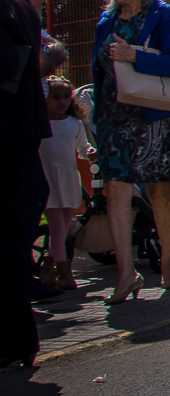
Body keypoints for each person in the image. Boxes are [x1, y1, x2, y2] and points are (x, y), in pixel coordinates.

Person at [90, 0, 170, 301]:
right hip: (113, 118)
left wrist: (136, 56)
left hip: (152, 116)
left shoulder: (164, 16)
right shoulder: (107, 19)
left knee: (158, 189)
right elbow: (100, 69)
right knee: (116, 190)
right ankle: (125, 273)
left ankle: (167, 263)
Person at [3, 0, 52, 364]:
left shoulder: (7, 3)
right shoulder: (18, 3)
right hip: (21, 129)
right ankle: (18, 337)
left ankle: (14, 338)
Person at [37, 77, 88, 292]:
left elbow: (83, 149)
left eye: (66, 97)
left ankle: (47, 269)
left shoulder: (74, 124)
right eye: (55, 97)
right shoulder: (40, 124)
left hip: (67, 180)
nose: (61, 102)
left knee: (63, 229)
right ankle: (66, 274)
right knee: (58, 228)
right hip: (48, 180)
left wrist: (91, 153)